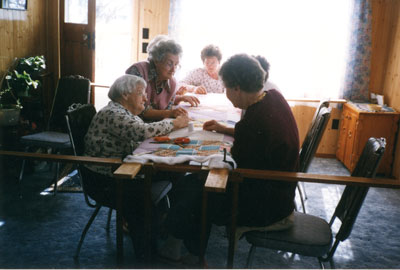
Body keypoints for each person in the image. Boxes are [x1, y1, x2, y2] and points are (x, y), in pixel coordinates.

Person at [159, 54, 299, 265]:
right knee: (194, 183)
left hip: (266, 203)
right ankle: (176, 238)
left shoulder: (257, 120)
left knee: (197, 189)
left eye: (225, 88)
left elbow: (237, 165)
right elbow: (251, 140)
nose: (226, 94)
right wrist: (224, 130)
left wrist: (208, 160)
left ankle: (185, 249)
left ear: (237, 88)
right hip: (278, 191)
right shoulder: (272, 97)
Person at [82, 74, 189, 261]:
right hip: (105, 179)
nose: (146, 99)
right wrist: (174, 123)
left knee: (176, 170)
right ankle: (147, 254)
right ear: (125, 94)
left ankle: (166, 224)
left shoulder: (126, 113)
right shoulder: (113, 113)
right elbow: (142, 132)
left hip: (119, 170)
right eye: (141, 94)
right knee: (143, 201)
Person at [125, 35, 200, 121]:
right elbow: (137, 111)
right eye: (169, 64)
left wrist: (172, 113)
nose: (173, 69)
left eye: (176, 64)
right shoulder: (138, 71)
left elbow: (165, 115)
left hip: (154, 127)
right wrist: (170, 113)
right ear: (157, 61)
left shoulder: (172, 83)